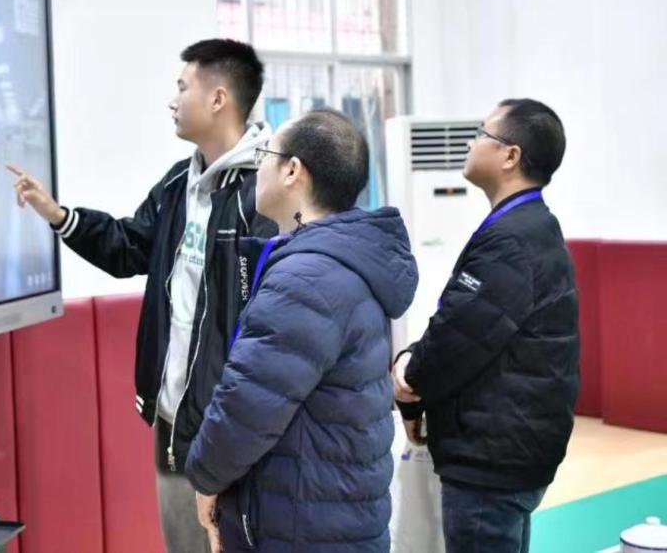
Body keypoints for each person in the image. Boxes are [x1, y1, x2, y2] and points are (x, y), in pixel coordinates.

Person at [9, 39, 277, 552]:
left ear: (218, 99)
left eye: (182, 87)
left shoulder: (263, 193)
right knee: (183, 543)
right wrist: (58, 215)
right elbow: (129, 246)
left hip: (233, 426)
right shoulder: (179, 184)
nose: (172, 101)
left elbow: (271, 326)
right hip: (173, 421)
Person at [185, 109, 419, 552]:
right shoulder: (338, 261)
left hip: (303, 529)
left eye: (265, 156)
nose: (257, 169)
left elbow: (247, 407)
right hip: (330, 515)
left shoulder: (307, 280)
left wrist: (205, 478)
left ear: (293, 170)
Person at [393, 98, 579, 553]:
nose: (470, 143)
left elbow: (457, 339)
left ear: (510, 156)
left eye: (481, 134)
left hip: (491, 459)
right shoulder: (530, 226)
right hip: (510, 450)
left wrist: (408, 376)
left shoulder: (511, 240)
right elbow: (469, 323)